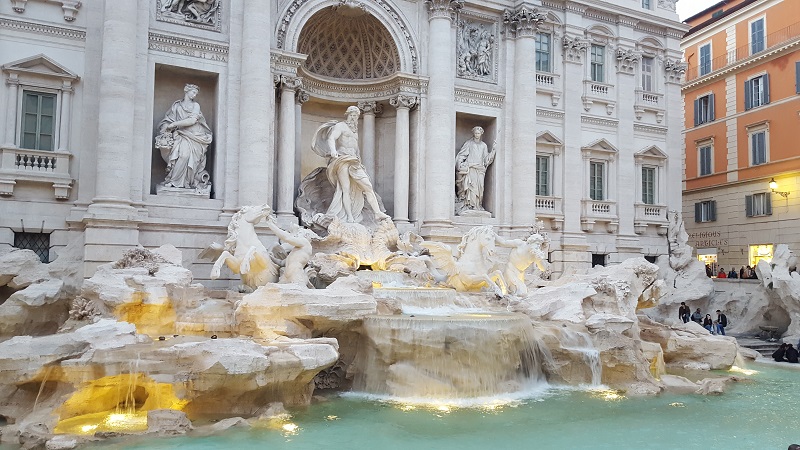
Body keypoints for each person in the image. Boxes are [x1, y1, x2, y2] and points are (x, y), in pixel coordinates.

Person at [311, 106, 390, 224]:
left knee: (367, 186)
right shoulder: (341, 126)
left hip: (354, 161)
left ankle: (377, 212)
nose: (353, 118)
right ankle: (349, 217)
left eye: (356, 116)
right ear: (347, 115)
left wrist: (359, 159)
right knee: (345, 189)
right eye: (351, 115)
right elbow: (331, 138)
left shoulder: (354, 131)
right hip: (342, 159)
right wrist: (333, 150)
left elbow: (355, 148)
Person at [155, 84, 213, 190]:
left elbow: (192, 120)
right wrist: (166, 127)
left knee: (188, 158)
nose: (194, 95)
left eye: (196, 93)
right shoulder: (177, 106)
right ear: (186, 91)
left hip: (196, 136)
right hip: (181, 134)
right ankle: (174, 181)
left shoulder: (196, 105)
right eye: (193, 92)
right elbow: (168, 119)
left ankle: (187, 182)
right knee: (182, 156)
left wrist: (174, 124)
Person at [455, 126, 497, 214]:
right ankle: (470, 205)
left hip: (480, 169)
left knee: (480, 188)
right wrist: (461, 165)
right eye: (475, 133)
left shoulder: (483, 145)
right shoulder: (469, 143)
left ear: (481, 134)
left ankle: (478, 205)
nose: (477, 135)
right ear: (473, 133)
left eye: (478, 133)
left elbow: (486, 160)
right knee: (471, 187)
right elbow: (461, 155)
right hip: (471, 169)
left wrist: (493, 150)